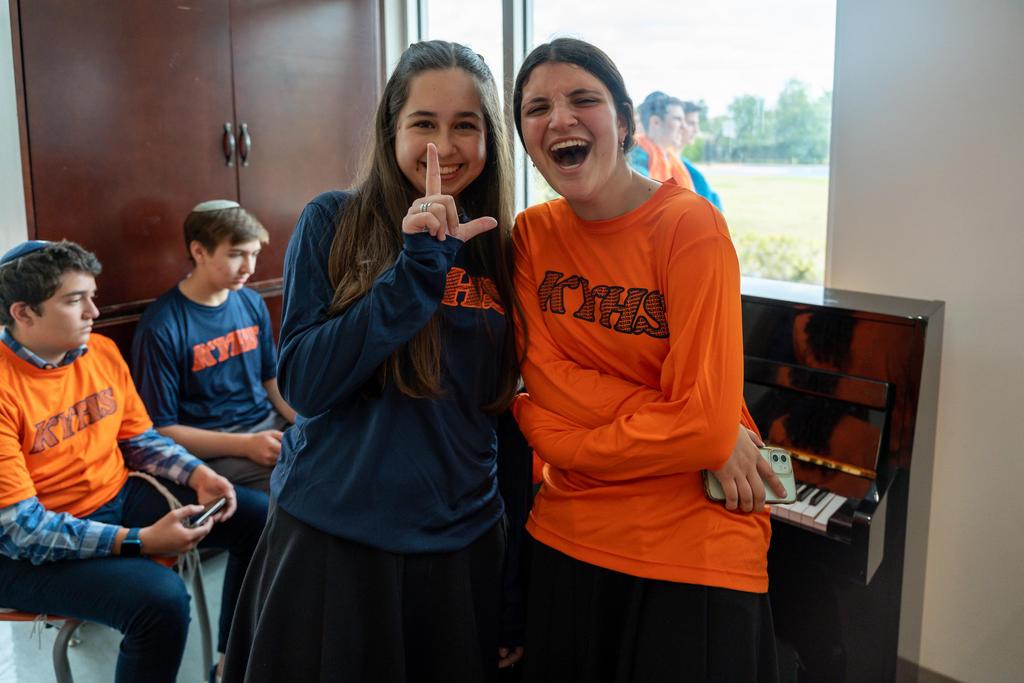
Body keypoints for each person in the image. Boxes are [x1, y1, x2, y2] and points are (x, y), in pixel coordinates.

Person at [223, 40, 530, 682]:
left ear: (490, 139)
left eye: (465, 125)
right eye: (424, 123)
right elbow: (306, 384)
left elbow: (504, 421)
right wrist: (414, 273)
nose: (443, 146)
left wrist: (512, 590)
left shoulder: (501, 248)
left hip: (461, 547)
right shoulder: (334, 220)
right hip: (333, 545)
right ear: (393, 131)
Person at [510, 38, 785, 681]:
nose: (560, 118)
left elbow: (706, 426)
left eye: (583, 99)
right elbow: (543, 382)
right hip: (568, 529)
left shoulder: (690, 228)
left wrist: (565, 438)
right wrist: (688, 424)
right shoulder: (532, 234)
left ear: (625, 121)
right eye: (537, 108)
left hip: (695, 542)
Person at [0, 240, 267, 683]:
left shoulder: (100, 351)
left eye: (91, 296)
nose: (93, 312)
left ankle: (231, 666)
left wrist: (198, 473)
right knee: (161, 600)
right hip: (23, 551)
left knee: (258, 518)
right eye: (74, 301)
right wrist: (139, 540)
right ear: (23, 313)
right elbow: (22, 530)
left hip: (113, 497)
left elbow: (140, 440)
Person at [131, 200, 295, 493]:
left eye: (254, 254)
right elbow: (162, 429)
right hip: (216, 449)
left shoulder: (251, 301)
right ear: (199, 251)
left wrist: (303, 419)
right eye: (236, 255)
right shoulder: (161, 325)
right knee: (299, 485)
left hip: (269, 427)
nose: (249, 267)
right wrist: (246, 445)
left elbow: (271, 380)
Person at [627, 90, 695, 191]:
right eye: (677, 119)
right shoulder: (635, 158)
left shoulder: (671, 159)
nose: (684, 127)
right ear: (656, 122)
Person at [677, 100, 723, 210]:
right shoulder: (668, 164)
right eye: (691, 123)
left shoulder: (685, 165)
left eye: (697, 124)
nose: (696, 130)